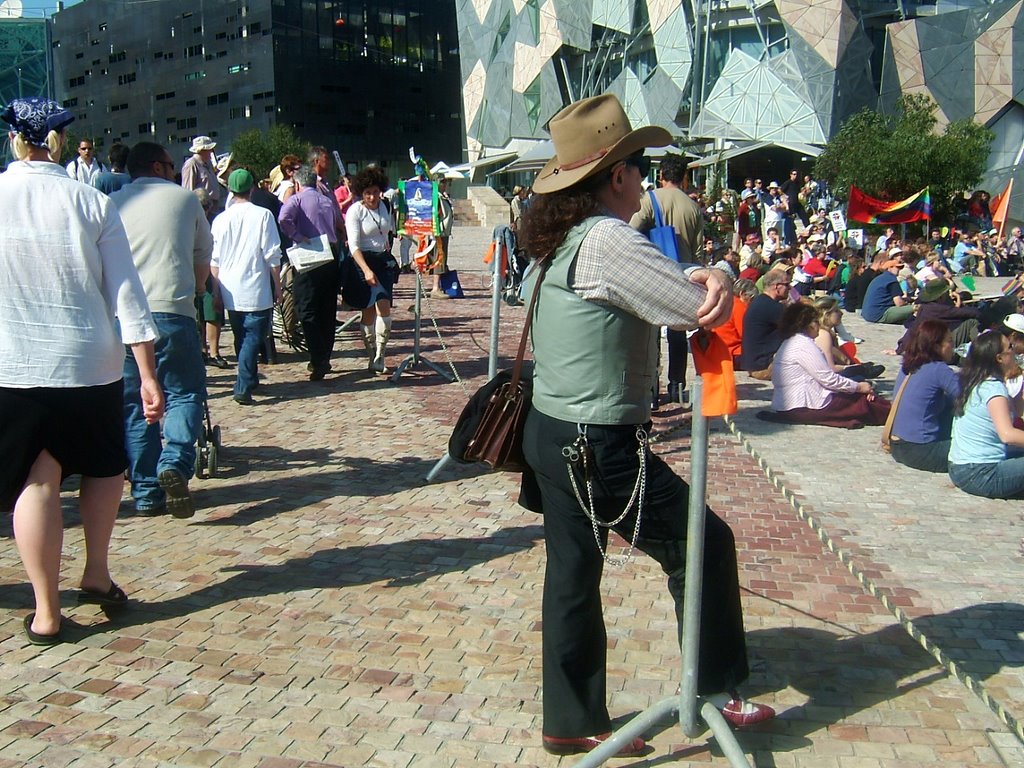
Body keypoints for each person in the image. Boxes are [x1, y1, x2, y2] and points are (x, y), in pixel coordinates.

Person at [516, 93, 773, 758]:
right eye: (638, 164)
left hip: (551, 429)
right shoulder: (606, 238)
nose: (645, 177)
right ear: (618, 176)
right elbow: (701, 310)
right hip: (594, 441)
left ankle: (572, 720)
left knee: (571, 575)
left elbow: (636, 288)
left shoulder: (558, 241)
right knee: (702, 544)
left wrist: (687, 275)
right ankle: (715, 690)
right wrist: (718, 269)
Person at [0, 97, 163, 644]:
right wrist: (147, 373)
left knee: (37, 478)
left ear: (14, 142)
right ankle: (96, 573)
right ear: (59, 142)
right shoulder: (91, 201)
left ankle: (46, 610)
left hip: (14, 360)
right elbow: (128, 297)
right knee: (103, 466)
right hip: (89, 358)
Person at [109, 141, 214, 517]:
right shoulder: (184, 200)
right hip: (173, 309)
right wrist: (199, 288)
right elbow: (203, 253)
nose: (174, 171)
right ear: (157, 166)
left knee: (136, 403)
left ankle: (146, 492)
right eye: (171, 165)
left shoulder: (113, 203)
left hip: (123, 318)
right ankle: (175, 459)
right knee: (184, 392)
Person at [630, 153, 704, 404]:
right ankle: (676, 383)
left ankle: (650, 386)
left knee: (649, 334)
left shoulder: (650, 200)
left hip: (652, 272)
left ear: (661, 175)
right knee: (677, 333)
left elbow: (629, 229)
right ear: (684, 176)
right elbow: (698, 251)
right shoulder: (693, 207)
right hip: (682, 272)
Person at [210, 169, 283, 405]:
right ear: (252, 189)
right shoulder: (262, 215)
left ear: (230, 190)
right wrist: (278, 285)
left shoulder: (220, 219)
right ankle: (242, 384)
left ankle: (249, 377)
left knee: (241, 334)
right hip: (255, 285)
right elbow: (272, 255)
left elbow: (215, 260)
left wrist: (216, 290)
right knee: (254, 335)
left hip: (229, 285)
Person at [769, 303, 890, 428]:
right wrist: (859, 387)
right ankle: (897, 418)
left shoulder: (791, 342)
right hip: (803, 406)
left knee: (855, 395)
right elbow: (828, 379)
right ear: (807, 325)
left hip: (789, 405)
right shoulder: (803, 345)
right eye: (816, 321)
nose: (819, 325)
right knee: (867, 404)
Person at [278, 165, 344, 380]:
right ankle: (325, 354)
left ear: (297, 183)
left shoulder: (296, 199)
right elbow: (338, 223)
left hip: (309, 256)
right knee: (327, 308)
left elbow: (283, 218)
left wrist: (297, 236)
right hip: (330, 254)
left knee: (306, 308)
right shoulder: (327, 198)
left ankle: (318, 358)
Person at [948, 330, 1024, 498]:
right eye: (1010, 347)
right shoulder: (994, 389)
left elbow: (1016, 412)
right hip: (980, 473)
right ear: (999, 358)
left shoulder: (978, 381)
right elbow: (1007, 435)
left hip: (960, 467)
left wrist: (1021, 383)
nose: (1015, 352)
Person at [344, 165, 398, 374]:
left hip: (382, 260)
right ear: (361, 193)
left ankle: (380, 355)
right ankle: (371, 351)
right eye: (368, 193)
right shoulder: (355, 211)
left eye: (375, 192)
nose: (372, 197)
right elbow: (354, 246)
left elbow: (389, 230)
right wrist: (366, 270)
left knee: (383, 305)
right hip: (362, 262)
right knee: (367, 310)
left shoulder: (385, 206)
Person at [889, 320, 959, 473]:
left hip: (897, 445)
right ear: (936, 346)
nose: (953, 346)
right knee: (984, 449)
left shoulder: (908, 366)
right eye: (949, 341)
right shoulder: (938, 369)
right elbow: (969, 398)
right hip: (921, 450)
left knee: (946, 404)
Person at [811, 296, 884, 380]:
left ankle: (862, 369)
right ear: (826, 314)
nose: (841, 313)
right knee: (859, 378)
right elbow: (831, 368)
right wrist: (855, 368)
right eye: (836, 311)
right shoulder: (823, 335)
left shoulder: (827, 332)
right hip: (825, 377)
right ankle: (863, 370)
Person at [741, 267, 790, 377]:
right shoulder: (772, 307)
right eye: (787, 285)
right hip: (764, 366)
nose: (790, 288)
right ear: (776, 286)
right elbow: (801, 328)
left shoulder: (760, 301)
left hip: (754, 364)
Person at [861, 258, 914, 324]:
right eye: (897, 267)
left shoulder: (879, 278)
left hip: (867, 314)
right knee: (917, 308)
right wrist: (909, 304)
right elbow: (899, 303)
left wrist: (907, 299)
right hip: (879, 314)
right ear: (889, 268)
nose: (899, 270)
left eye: (900, 268)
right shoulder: (891, 280)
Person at [180, 135, 222, 214]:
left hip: (213, 208)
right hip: (203, 209)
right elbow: (188, 190)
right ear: (202, 150)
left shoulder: (208, 164)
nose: (212, 151)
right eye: (210, 149)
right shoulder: (191, 164)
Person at [429, 176, 455, 299]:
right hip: (438, 233)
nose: (444, 184)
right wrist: (436, 231)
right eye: (442, 182)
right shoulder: (436, 197)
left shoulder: (442, 196)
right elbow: (436, 215)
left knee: (442, 259)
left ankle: (438, 285)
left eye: (446, 182)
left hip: (444, 233)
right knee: (439, 259)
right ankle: (435, 288)